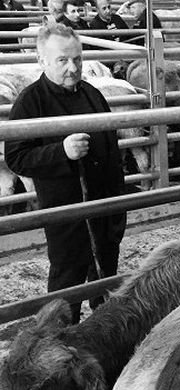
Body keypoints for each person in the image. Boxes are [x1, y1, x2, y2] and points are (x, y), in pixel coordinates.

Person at [4, 24, 126, 324]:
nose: (73, 68)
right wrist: (62, 151)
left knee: (105, 276)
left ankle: (103, 329)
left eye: (77, 59)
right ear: (42, 61)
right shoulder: (31, 102)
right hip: (65, 209)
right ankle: (59, 339)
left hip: (104, 203)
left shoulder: (93, 94)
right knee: (67, 280)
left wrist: (118, 204)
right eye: (62, 60)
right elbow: (16, 157)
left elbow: (111, 147)